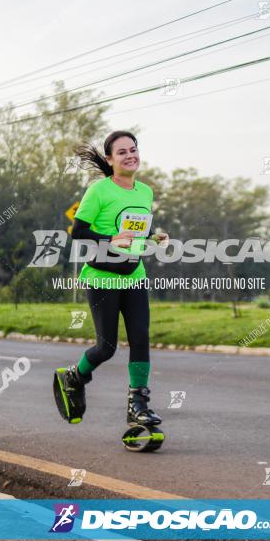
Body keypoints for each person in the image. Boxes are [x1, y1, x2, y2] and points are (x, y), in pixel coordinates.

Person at [53, 131, 169, 427]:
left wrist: (153, 238)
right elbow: (78, 232)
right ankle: (74, 376)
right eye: (122, 152)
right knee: (107, 348)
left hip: (134, 275)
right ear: (110, 159)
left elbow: (136, 233)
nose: (130, 155)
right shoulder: (98, 190)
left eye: (134, 149)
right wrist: (111, 237)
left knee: (140, 338)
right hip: (102, 278)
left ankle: (138, 404)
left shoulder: (145, 192)